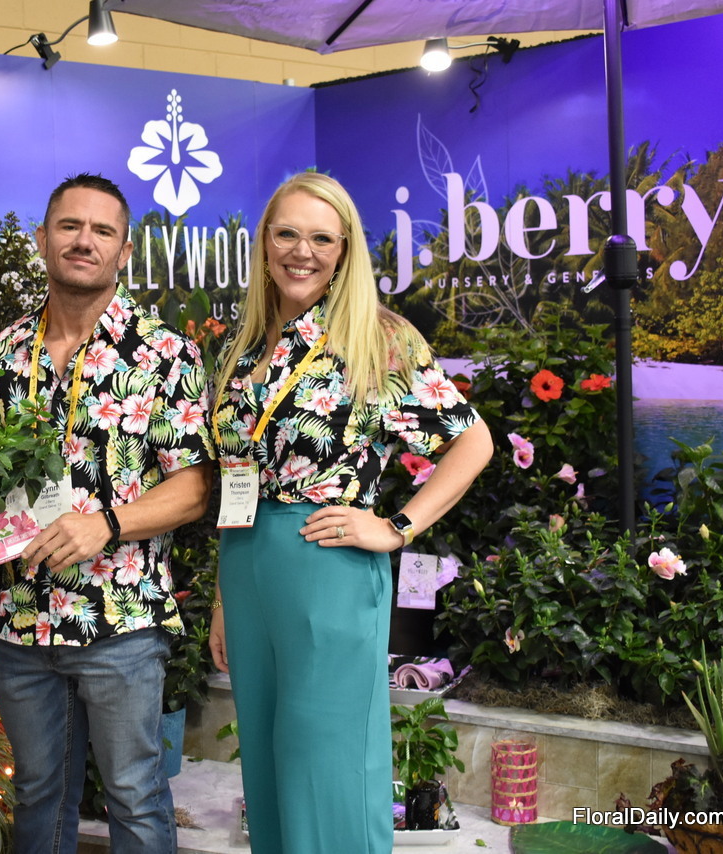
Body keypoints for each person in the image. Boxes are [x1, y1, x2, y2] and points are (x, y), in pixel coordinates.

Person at [208, 172, 493, 853]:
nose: (301, 251)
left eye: (321, 238)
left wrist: (396, 527)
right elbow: (236, 474)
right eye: (287, 234)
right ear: (265, 242)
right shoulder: (244, 342)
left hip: (327, 562)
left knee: (326, 764)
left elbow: (474, 442)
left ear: (344, 250)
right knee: (268, 766)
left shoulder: (379, 337)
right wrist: (222, 594)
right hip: (246, 565)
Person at [0, 173, 214, 854]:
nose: (83, 241)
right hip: (23, 619)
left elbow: (195, 488)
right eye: (69, 226)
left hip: (121, 622)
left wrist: (106, 524)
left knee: (135, 796)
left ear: (124, 251)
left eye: (101, 230)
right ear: (42, 239)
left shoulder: (164, 354)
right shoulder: (1, 354)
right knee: (37, 796)